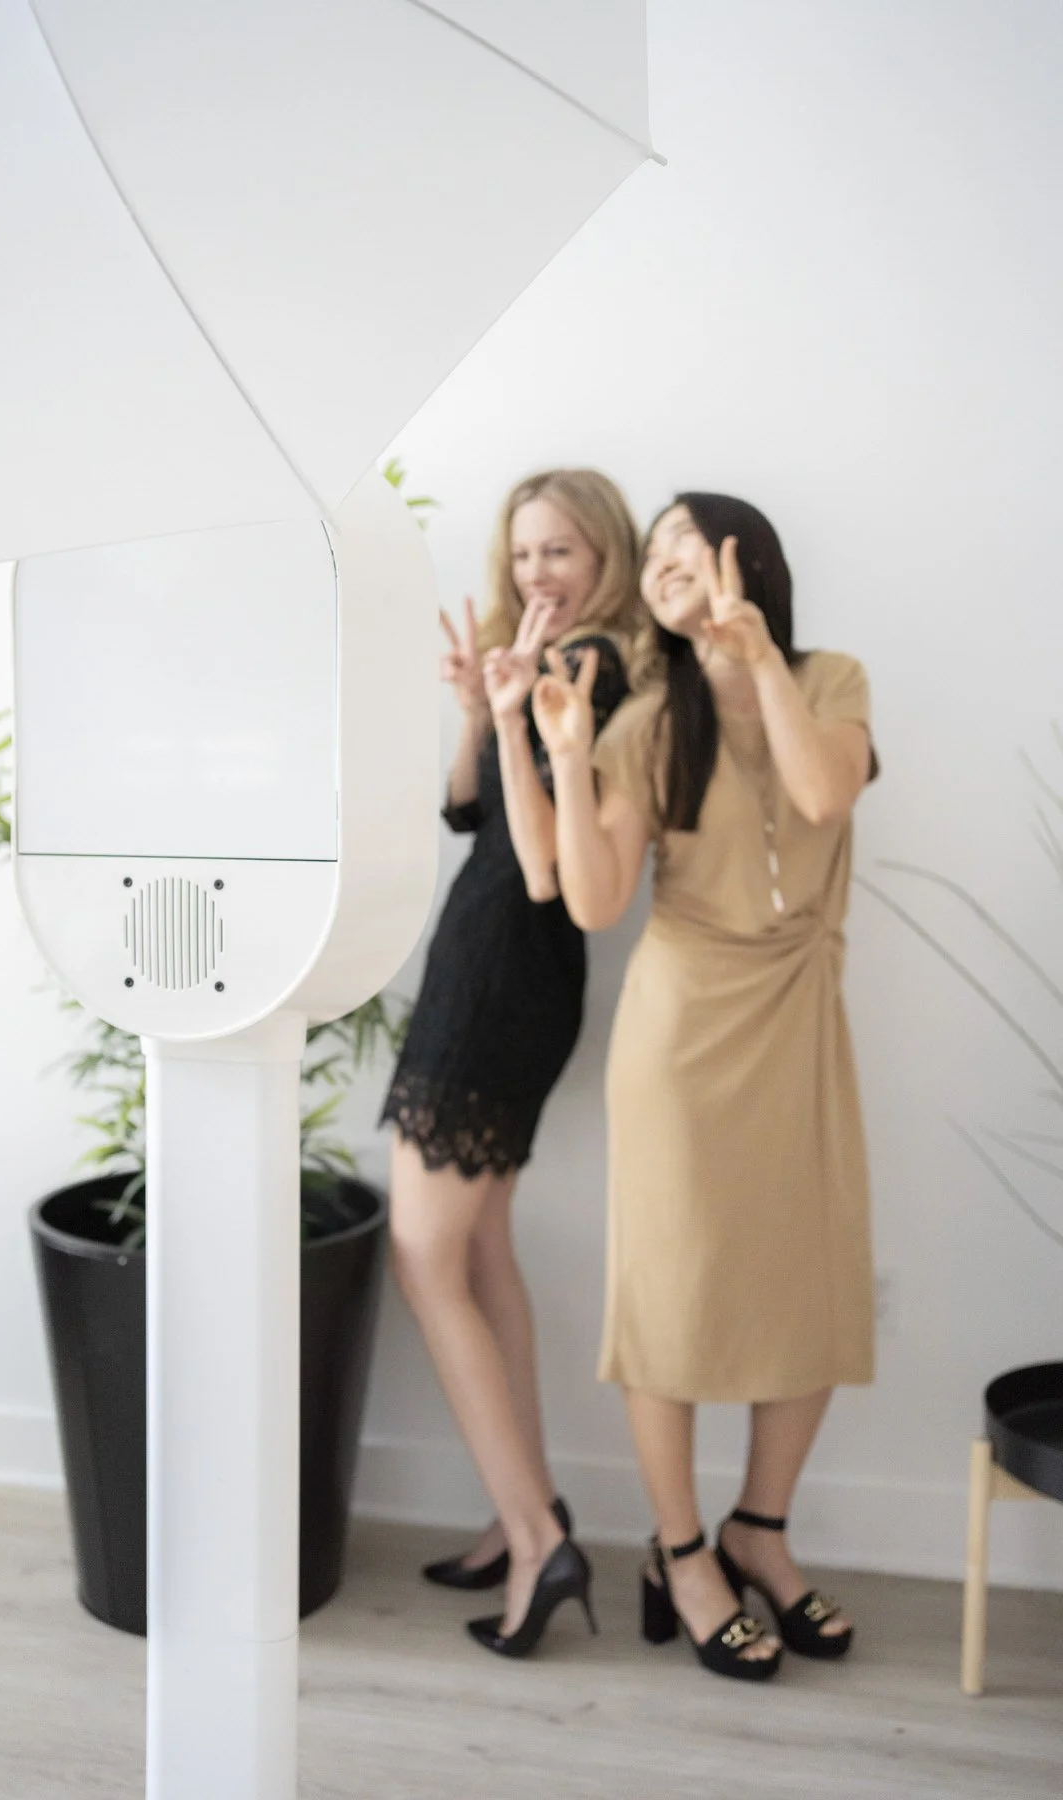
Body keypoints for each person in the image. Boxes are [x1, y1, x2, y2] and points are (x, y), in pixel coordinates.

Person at [532, 492, 877, 1681]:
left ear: (749, 559)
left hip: (799, 1022)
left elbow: (825, 793)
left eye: (689, 539)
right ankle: (680, 1555)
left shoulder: (830, 679)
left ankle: (760, 1535)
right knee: (673, 1299)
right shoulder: (643, 726)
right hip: (680, 1040)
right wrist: (572, 761)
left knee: (812, 1283)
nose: (667, 561)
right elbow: (591, 902)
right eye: (660, 548)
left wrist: (757, 659)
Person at [380, 469, 642, 1658]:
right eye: (525, 552)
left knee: (423, 1254)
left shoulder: (593, 665)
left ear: (607, 556)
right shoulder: (549, 660)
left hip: (501, 977)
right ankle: (521, 1512)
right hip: (504, 970)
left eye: (563, 551)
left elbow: (544, 861)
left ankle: (540, 1539)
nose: (540, 572)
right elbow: (467, 817)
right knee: (478, 1250)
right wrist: (480, 708)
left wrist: (522, 695)